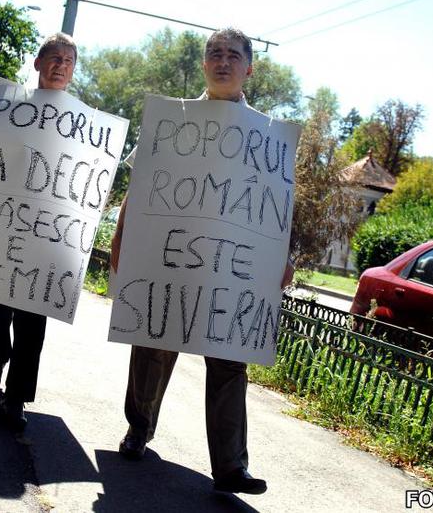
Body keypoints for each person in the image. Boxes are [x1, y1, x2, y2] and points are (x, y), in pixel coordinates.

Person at [110, 28, 295, 495]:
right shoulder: (174, 119)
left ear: (249, 68)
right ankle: (139, 429)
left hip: (231, 269)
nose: (223, 61)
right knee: (153, 343)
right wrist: (121, 235)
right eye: (215, 53)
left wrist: (284, 256)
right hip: (170, 257)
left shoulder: (267, 138)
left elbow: (275, 205)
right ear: (204, 64)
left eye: (233, 55)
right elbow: (143, 186)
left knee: (230, 360)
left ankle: (231, 467)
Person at [0, 32, 78, 432]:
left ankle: (16, 397)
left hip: (47, 237)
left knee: (34, 321)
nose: (60, 65)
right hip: (5, 227)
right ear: (37, 64)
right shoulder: (9, 107)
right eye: (53, 57)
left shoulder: (81, 123)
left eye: (68, 60)